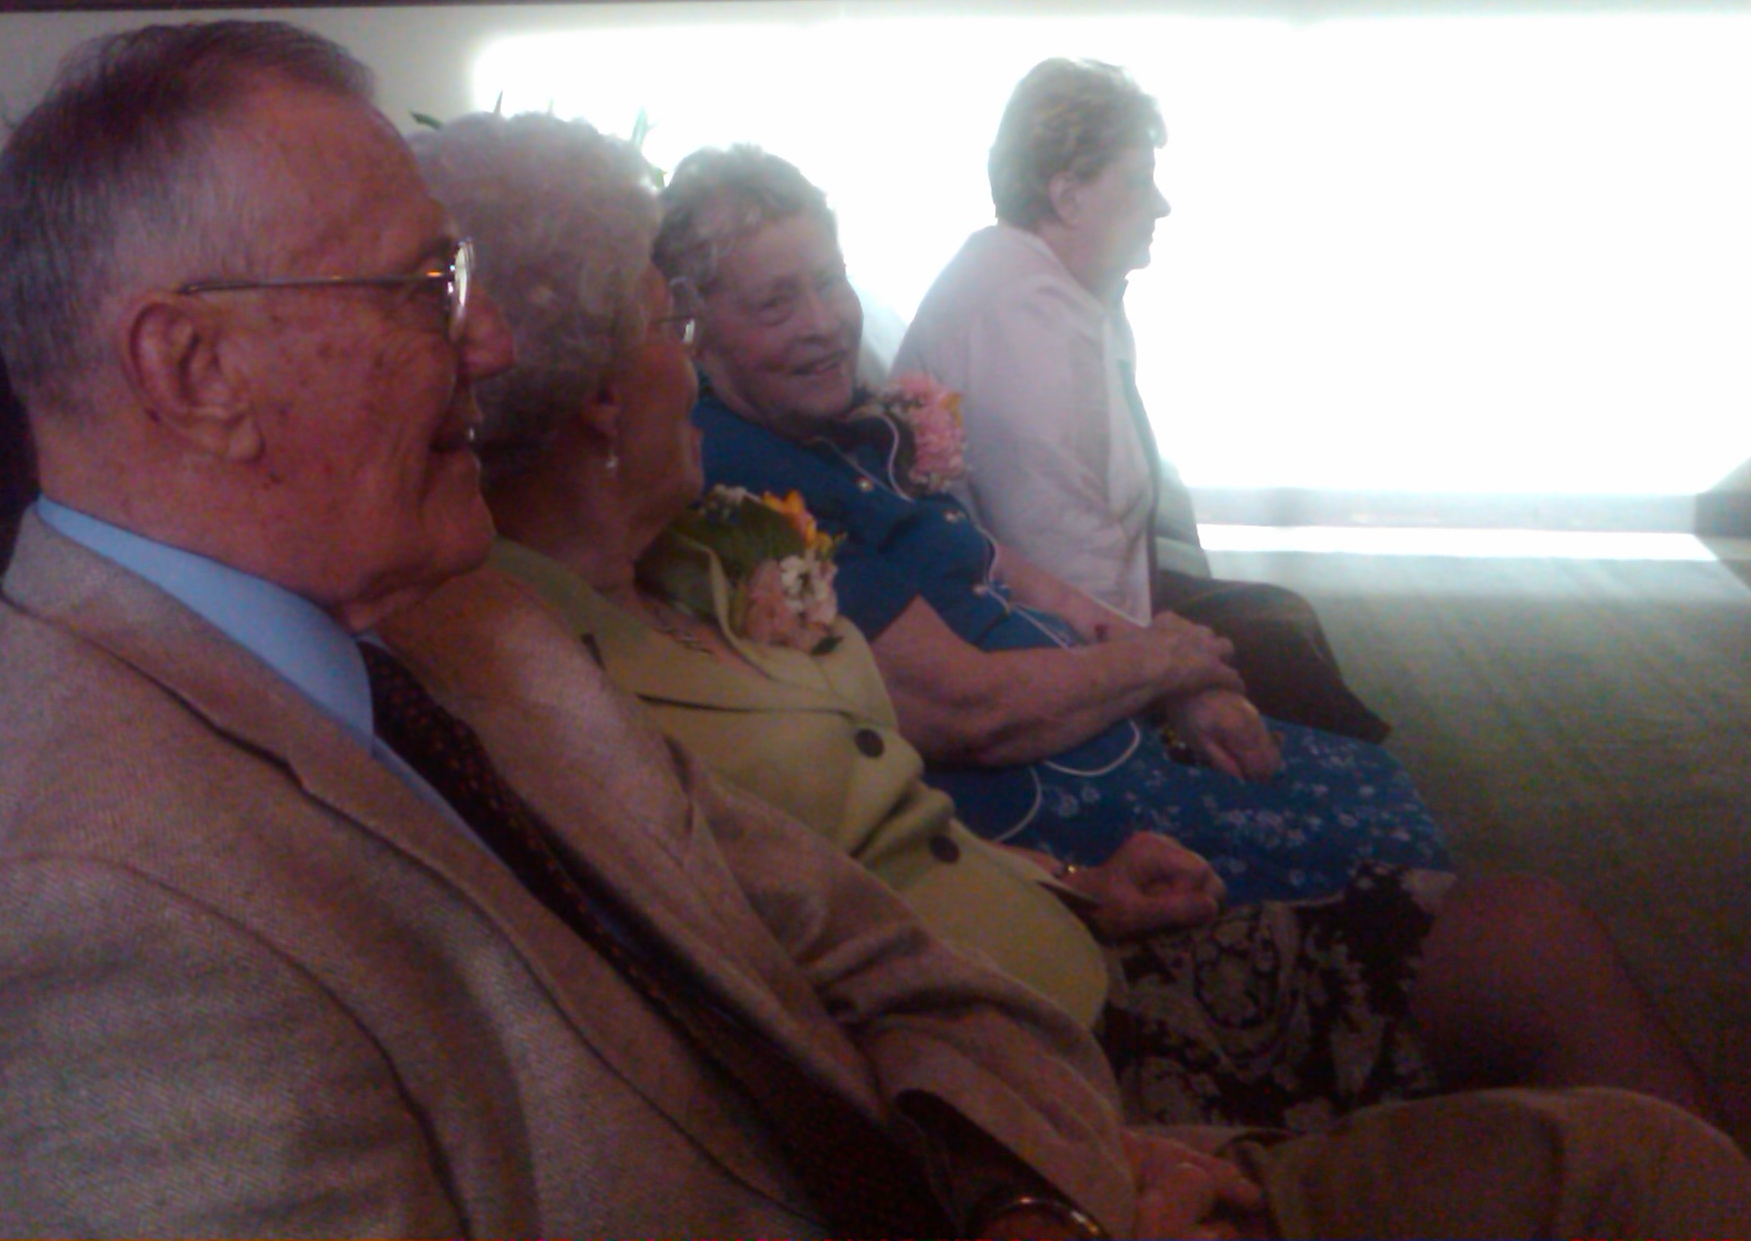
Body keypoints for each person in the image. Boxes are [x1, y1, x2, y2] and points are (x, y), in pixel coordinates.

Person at [0, 23, 1751, 1241]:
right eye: (422, 286)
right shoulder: (60, 913)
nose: (491, 345)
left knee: (1639, 1165)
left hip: (992, 1176)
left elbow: (841, 933)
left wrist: (1036, 1184)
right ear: (192, 370)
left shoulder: (444, 632)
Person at [413, 107, 1721, 1133]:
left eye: (824, 283)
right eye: (674, 323)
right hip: (1034, 1055)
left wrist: (1080, 878)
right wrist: (1160, 677)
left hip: (1070, 918)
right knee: (1518, 938)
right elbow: (833, 895)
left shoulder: (695, 556)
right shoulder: (568, 665)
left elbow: (873, 821)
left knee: (1495, 916)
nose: (705, 356)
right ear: (606, 391)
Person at [661, 141, 1446, 904]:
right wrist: (1160, 665)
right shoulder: (739, 486)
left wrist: (1181, 679)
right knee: (1386, 850)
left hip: (1087, 722)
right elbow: (966, 711)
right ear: (693, 324)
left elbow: (1003, 563)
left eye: (831, 282)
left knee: (1371, 779)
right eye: (776, 302)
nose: (825, 323)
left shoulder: (828, 426)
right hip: (1037, 804)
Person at [895, 57, 1392, 743]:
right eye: (1138, 181)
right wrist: (1169, 682)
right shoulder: (1024, 318)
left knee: (1282, 622)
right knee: (1280, 652)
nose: (1162, 204)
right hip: (1044, 644)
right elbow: (1066, 552)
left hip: (1086, 608)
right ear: (1067, 197)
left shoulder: (1049, 290)